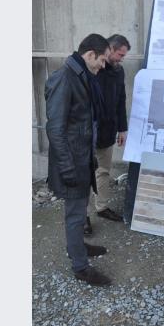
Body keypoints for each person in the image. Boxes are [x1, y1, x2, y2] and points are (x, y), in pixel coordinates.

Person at [45, 33, 113, 286]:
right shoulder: (64, 78)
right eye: (102, 60)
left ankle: (78, 246)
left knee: (80, 209)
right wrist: (66, 167)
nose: (103, 66)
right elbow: (55, 128)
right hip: (71, 161)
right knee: (74, 215)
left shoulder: (81, 76)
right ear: (90, 55)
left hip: (81, 158)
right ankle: (80, 267)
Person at [83, 34, 130, 235]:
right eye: (120, 54)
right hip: (88, 131)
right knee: (85, 175)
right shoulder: (92, 69)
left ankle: (101, 207)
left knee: (103, 170)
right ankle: (83, 216)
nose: (121, 59)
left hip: (108, 130)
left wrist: (122, 128)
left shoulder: (119, 72)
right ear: (109, 49)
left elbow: (121, 99)